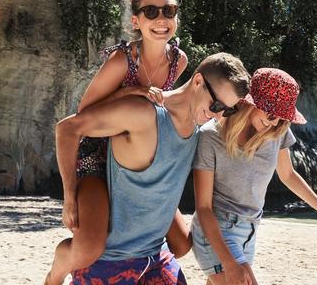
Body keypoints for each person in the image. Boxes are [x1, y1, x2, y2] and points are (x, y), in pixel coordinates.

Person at [45, 0, 191, 284]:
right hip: (98, 157)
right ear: (137, 20)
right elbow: (83, 117)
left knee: (181, 243)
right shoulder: (122, 60)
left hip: (141, 163)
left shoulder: (179, 61)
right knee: (88, 248)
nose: (161, 19)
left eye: (169, 10)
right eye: (151, 12)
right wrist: (69, 196)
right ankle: (57, 270)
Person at [56, 53, 250, 284]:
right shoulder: (144, 112)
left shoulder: (202, 132)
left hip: (155, 257)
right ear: (197, 82)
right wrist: (69, 197)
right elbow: (67, 129)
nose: (218, 115)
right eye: (216, 105)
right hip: (110, 259)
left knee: (182, 243)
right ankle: (54, 274)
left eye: (227, 110)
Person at [190, 68, 317, 285]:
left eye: (282, 118)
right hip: (217, 229)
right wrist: (228, 263)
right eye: (271, 114)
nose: (274, 123)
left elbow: (288, 175)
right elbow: (204, 208)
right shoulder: (210, 136)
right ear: (250, 103)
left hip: (251, 230)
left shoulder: (278, 132)